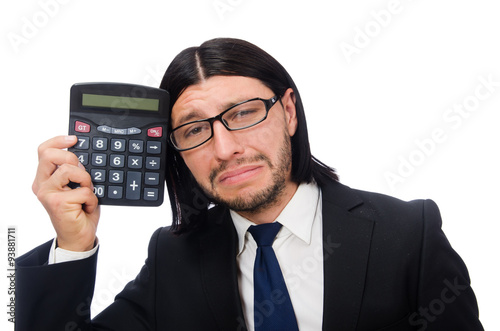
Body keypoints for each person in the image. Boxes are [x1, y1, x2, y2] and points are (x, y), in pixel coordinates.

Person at [15, 38, 483, 330]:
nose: (224, 149)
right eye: (195, 130)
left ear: (289, 112)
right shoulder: (173, 260)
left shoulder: (408, 233)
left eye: (242, 113)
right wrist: (73, 244)